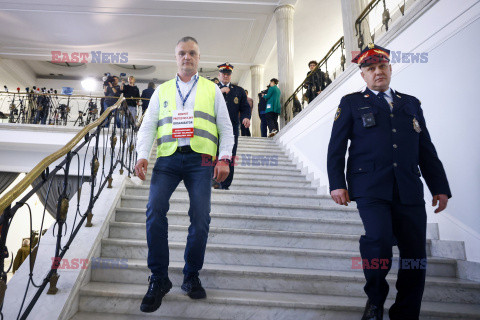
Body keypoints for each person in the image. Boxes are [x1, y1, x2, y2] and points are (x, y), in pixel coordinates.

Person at [327, 43, 451, 320]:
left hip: (408, 187)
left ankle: (406, 312)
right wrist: (337, 182)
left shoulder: (411, 103)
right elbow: (336, 147)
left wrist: (440, 187)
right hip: (370, 187)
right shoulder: (351, 103)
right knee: (379, 242)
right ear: (363, 75)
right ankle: (375, 301)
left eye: (382, 66)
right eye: (370, 68)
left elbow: (426, 149)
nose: (377, 72)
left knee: (415, 255)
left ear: (390, 69)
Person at [134, 36, 234, 313]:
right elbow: (148, 126)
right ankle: (159, 278)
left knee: (200, 217)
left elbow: (226, 128)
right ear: (175, 57)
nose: (186, 57)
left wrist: (224, 158)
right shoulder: (162, 90)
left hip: (201, 158)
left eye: (192, 53)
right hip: (167, 157)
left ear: (199, 58)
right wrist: (142, 155)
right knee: (154, 210)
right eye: (182, 53)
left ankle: (191, 275)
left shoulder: (212, 90)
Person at [214, 62, 251, 190]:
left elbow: (245, 107)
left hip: (232, 128)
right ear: (218, 74)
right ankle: (213, 181)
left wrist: (246, 117)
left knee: (230, 155)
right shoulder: (211, 88)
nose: (226, 75)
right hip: (213, 128)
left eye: (228, 74)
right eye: (223, 73)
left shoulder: (239, 91)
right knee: (213, 154)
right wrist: (219, 91)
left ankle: (225, 184)